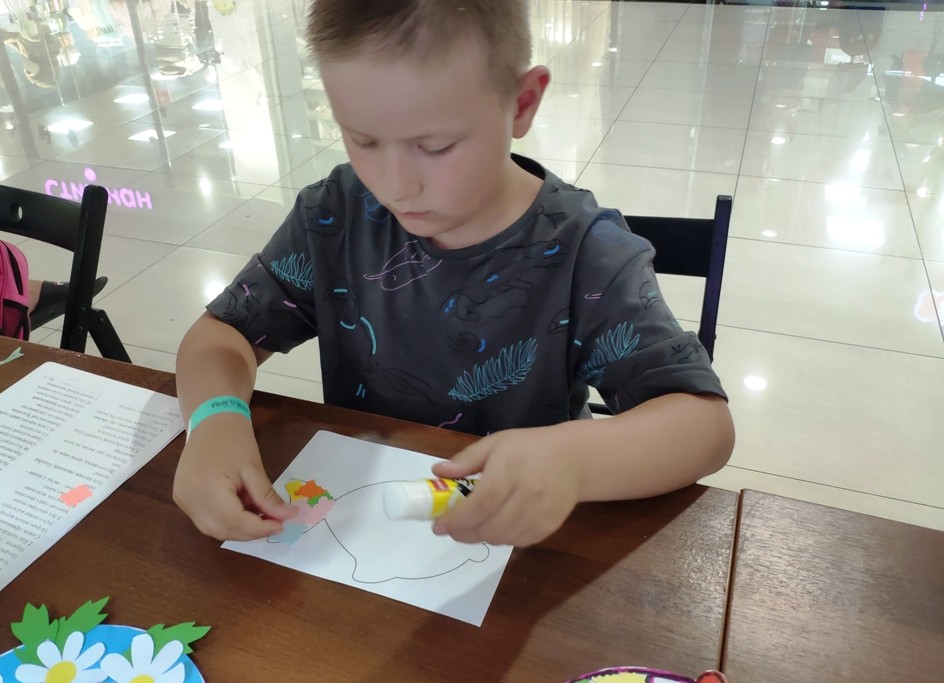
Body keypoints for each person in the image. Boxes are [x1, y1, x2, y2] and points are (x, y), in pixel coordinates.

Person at [173, 0, 735, 548]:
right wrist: (215, 419)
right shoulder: (336, 213)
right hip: (366, 521)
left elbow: (704, 427)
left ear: (521, 103)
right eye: (362, 140)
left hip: (519, 545)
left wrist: (574, 460)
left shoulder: (587, 252)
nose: (395, 185)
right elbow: (224, 333)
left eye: (435, 146)